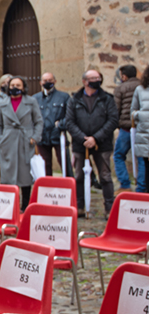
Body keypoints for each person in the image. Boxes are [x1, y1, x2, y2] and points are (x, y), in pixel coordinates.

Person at [65, 69, 119, 216]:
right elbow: (69, 122)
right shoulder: (74, 99)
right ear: (85, 81)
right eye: (93, 78)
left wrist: (95, 138)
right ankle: (80, 207)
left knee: (105, 176)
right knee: (79, 176)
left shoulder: (107, 98)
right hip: (80, 144)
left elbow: (113, 120)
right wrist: (83, 138)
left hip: (102, 143)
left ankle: (109, 208)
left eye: (98, 77)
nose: (97, 80)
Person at [0, 77, 43, 210]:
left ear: (23, 87)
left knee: (25, 174)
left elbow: (38, 121)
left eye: (18, 85)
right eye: (12, 85)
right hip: (8, 142)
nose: (15, 87)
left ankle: (25, 206)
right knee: (7, 173)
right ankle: (9, 207)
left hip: (25, 141)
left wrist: (35, 137)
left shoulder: (31, 101)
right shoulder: (3, 103)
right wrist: (0, 139)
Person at [37, 71, 72, 178]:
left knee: (65, 163)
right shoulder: (35, 98)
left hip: (58, 135)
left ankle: (70, 186)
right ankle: (47, 188)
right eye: (45, 80)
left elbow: (70, 116)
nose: (47, 82)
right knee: (45, 165)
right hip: (42, 137)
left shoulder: (64, 97)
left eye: (50, 80)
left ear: (55, 81)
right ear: (40, 82)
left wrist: (61, 125)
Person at [114, 64, 140, 191]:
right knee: (142, 157)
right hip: (141, 128)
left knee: (118, 155)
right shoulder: (144, 86)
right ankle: (142, 185)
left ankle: (125, 185)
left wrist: (117, 124)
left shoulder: (120, 89)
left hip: (125, 129)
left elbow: (116, 110)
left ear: (124, 76)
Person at [129, 66, 149, 192]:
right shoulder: (140, 89)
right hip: (145, 136)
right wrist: (141, 117)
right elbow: (133, 112)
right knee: (147, 169)